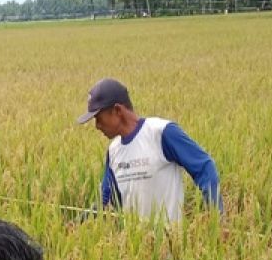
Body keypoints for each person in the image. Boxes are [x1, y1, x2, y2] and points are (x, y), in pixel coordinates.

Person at [76, 77, 222, 222]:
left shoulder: (161, 133)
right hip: (134, 243)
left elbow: (204, 167)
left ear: (117, 110)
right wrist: (80, 222)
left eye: (99, 118)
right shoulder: (114, 150)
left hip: (170, 241)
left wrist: (216, 218)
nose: (97, 126)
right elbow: (106, 200)